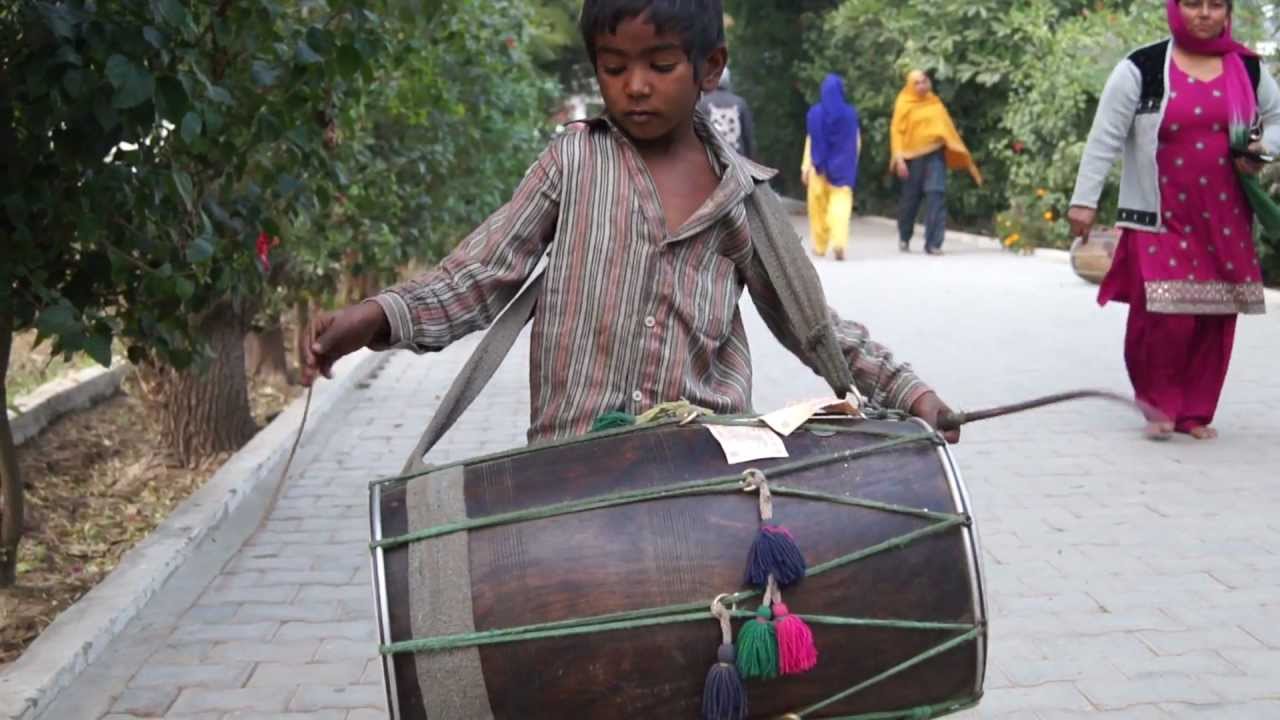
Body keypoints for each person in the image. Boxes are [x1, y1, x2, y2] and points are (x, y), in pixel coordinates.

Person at [300, 0, 960, 445]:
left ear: (709, 67)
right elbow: (477, 275)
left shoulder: (744, 196)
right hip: (571, 469)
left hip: (703, 469)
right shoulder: (571, 163)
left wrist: (910, 393)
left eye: (659, 65)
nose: (635, 85)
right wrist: (377, 316)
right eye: (614, 67)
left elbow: (814, 326)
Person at [1068, 0, 1276, 440]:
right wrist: (1084, 201)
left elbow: (1277, 120)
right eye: (1193, 3)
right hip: (1159, 217)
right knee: (1163, 315)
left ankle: (1194, 413)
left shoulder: (1248, 69)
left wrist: (1261, 149)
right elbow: (1105, 136)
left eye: (1215, 4)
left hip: (1225, 217)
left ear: (1227, 12)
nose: (1204, 13)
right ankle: (1158, 404)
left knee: (1213, 315)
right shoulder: (1141, 68)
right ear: (1175, 8)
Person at [890, 70, 982, 255]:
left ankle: (933, 243)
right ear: (910, 85)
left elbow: (946, 128)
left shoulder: (934, 103)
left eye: (924, 81)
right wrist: (899, 158)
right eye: (917, 83)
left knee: (936, 195)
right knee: (910, 200)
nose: (921, 86)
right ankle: (905, 236)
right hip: (911, 158)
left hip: (935, 155)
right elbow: (896, 131)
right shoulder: (904, 103)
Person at [802, 73, 860, 261]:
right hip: (843, 168)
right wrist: (853, 162)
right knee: (841, 206)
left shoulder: (814, 113)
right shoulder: (850, 114)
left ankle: (820, 246)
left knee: (817, 209)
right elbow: (855, 142)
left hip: (818, 168)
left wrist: (806, 166)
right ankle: (839, 243)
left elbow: (811, 141)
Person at [698, 65, 755, 158]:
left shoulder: (702, 103)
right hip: (737, 158)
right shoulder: (740, 103)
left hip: (712, 158)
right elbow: (747, 135)